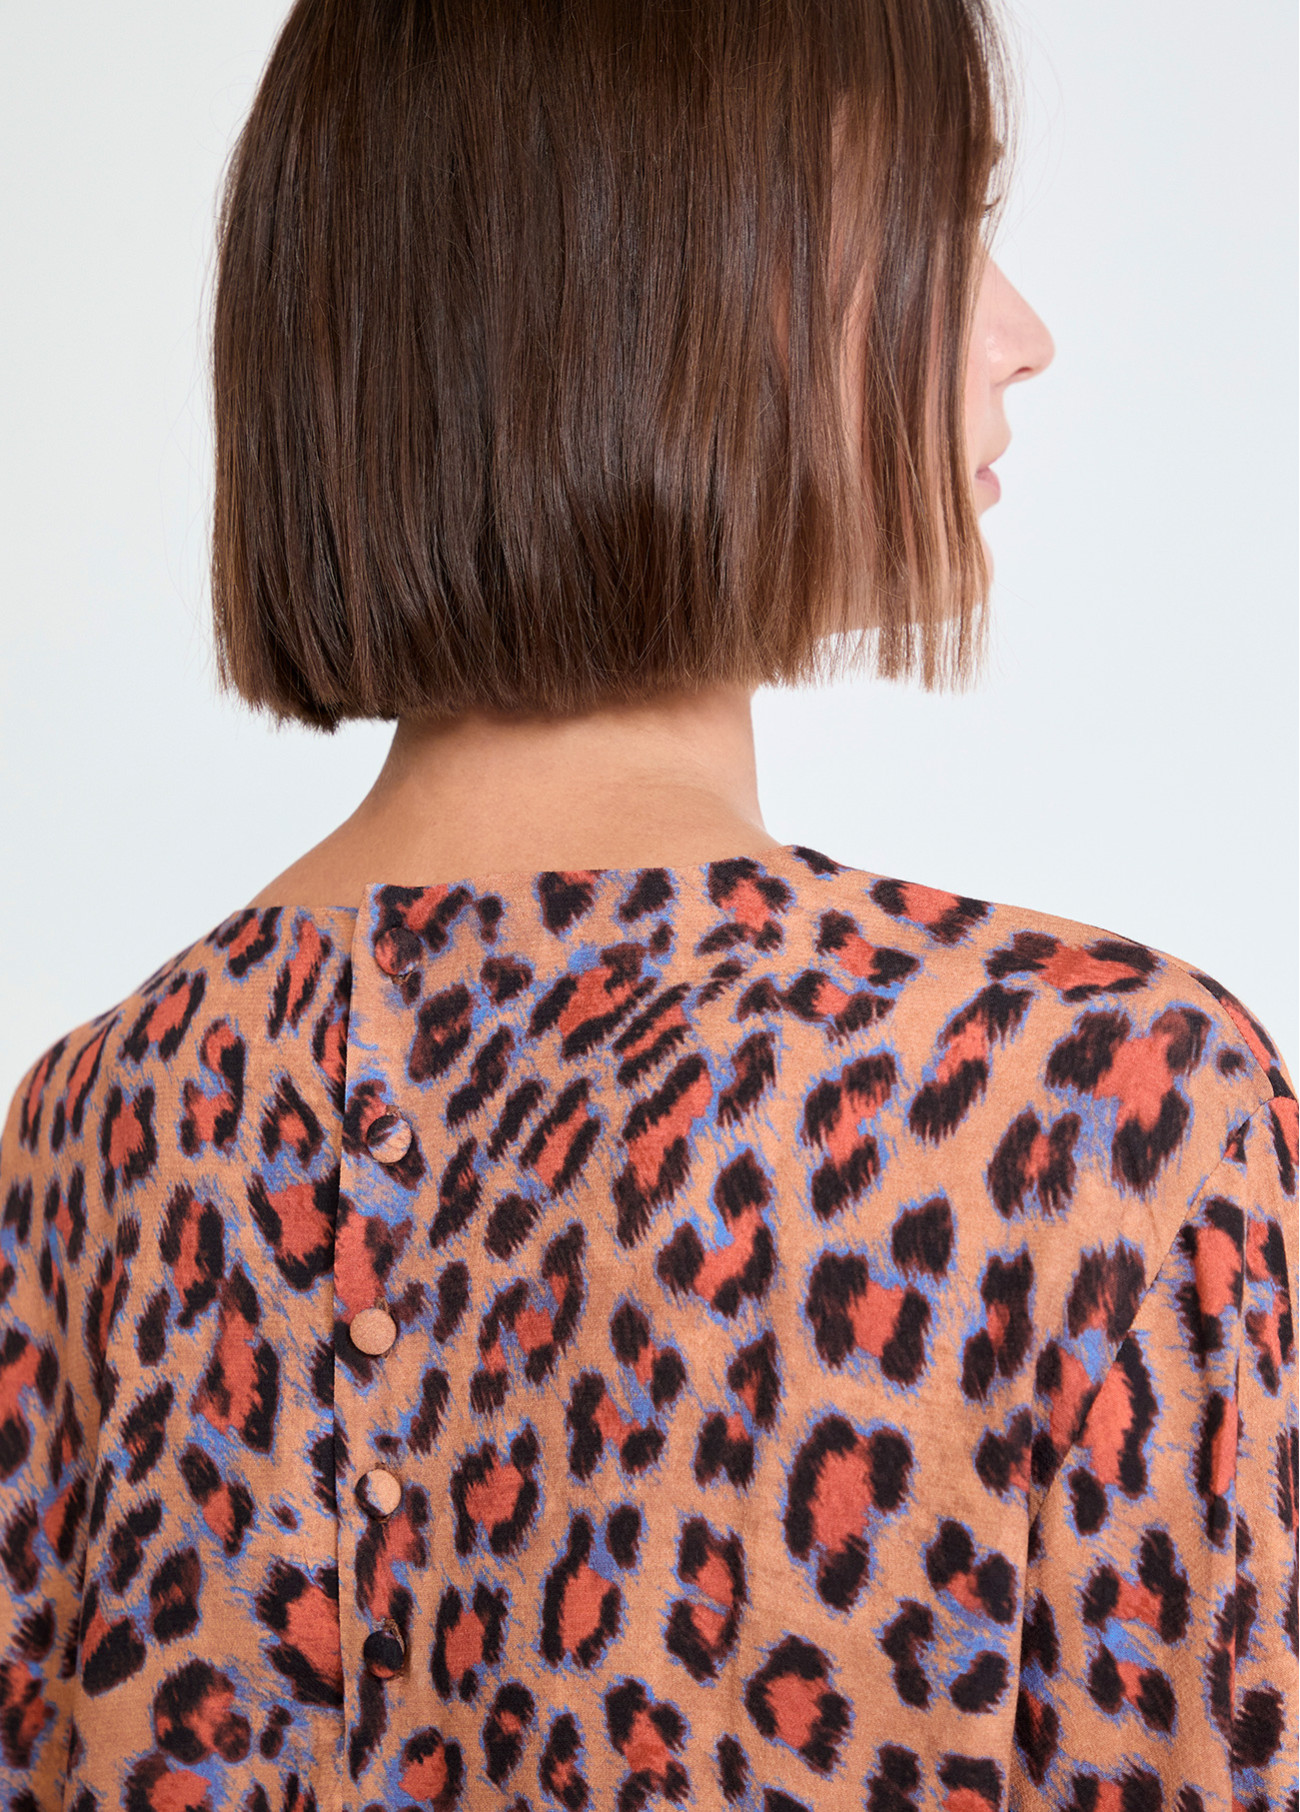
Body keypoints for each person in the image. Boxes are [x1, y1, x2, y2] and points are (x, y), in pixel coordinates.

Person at [0, 0, 1294, 1807]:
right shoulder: (1104, 1113)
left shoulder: (90, 1132)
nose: (1021, 334)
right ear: (690, 283)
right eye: (947, 221)